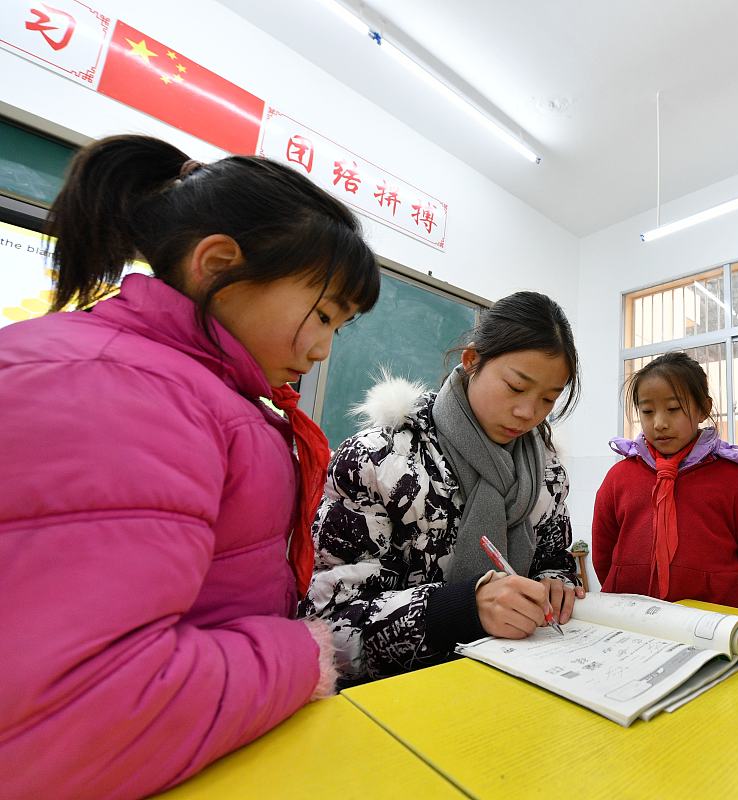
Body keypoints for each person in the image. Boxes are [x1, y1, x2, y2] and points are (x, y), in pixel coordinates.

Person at [0, 135, 380, 796]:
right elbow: (84, 710)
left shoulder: (198, 390)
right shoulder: (121, 392)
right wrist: (302, 654)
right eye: (321, 314)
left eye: (339, 328)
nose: (322, 349)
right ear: (216, 266)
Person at [302, 291, 583, 685]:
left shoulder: (546, 472)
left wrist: (558, 582)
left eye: (548, 399)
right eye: (516, 387)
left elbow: (555, 557)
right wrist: (463, 608)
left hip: (516, 683)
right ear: (472, 362)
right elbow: (327, 627)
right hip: (397, 700)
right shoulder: (381, 460)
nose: (528, 413)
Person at [592, 352, 738, 613]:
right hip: (632, 624)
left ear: (703, 409)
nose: (659, 423)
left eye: (673, 409)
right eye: (647, 411)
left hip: (719, 630)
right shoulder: (619, 477)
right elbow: (604, 555)